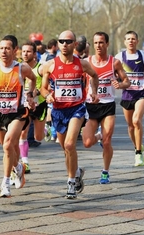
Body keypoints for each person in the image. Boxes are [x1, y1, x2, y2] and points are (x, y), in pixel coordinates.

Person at [39, 30, 99, 199]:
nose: (65, 44)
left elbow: (94, 76)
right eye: (61, 41)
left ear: (74, 44)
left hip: (77, 109)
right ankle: (77, 171)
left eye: (68, 41)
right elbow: (43, 88)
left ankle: (71, 182)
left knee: (70, 145)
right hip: (58, 110)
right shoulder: (50, 65)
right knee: (66, 149)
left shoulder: (82, 64)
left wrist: (94, 91)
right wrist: (47, 95)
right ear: (58, 44)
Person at [0, 35, 36, 198]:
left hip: (17, 113)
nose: (3, 51)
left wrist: (30, 95)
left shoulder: (21, 68)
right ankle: (18, 167)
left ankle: (5, 183)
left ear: (15, 50)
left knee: (8, 145)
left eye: (7, 48)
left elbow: (33, 79)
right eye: (1, 48)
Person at [82, 32, 130, 184]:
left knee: (108, 141)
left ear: (107, 44)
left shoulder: (114, 62)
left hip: (108, 106)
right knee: (87, 143)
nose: (98, 46)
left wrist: (120, 84)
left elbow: (127, 81)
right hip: (91, 106)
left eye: (101, 42)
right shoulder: (86, 62)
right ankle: (99, 136)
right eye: (96, 43)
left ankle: (105, 171)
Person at [115, 31, 144, 167]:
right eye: (128, 39)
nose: (131, 41)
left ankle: (138, 153)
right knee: (131, 126)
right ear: (125, 42)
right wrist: (116, 81)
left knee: (136, 120)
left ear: (137, 41)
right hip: (127, 95)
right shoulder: (119, 57)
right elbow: (113, 72)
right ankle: (137, 145)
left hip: (141, 93)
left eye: (133, 39)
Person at [18, 41, 47, 175]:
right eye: (23, 51)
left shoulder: (41, 68)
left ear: (35, 54)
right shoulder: (18, 68)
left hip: (39, 105)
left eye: (28, 51)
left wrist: (37, 92)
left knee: (38, 137)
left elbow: (48, 87)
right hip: (25, 105)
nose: (25, 54)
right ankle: (25, 162)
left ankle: (46, 129)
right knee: (23, 133)